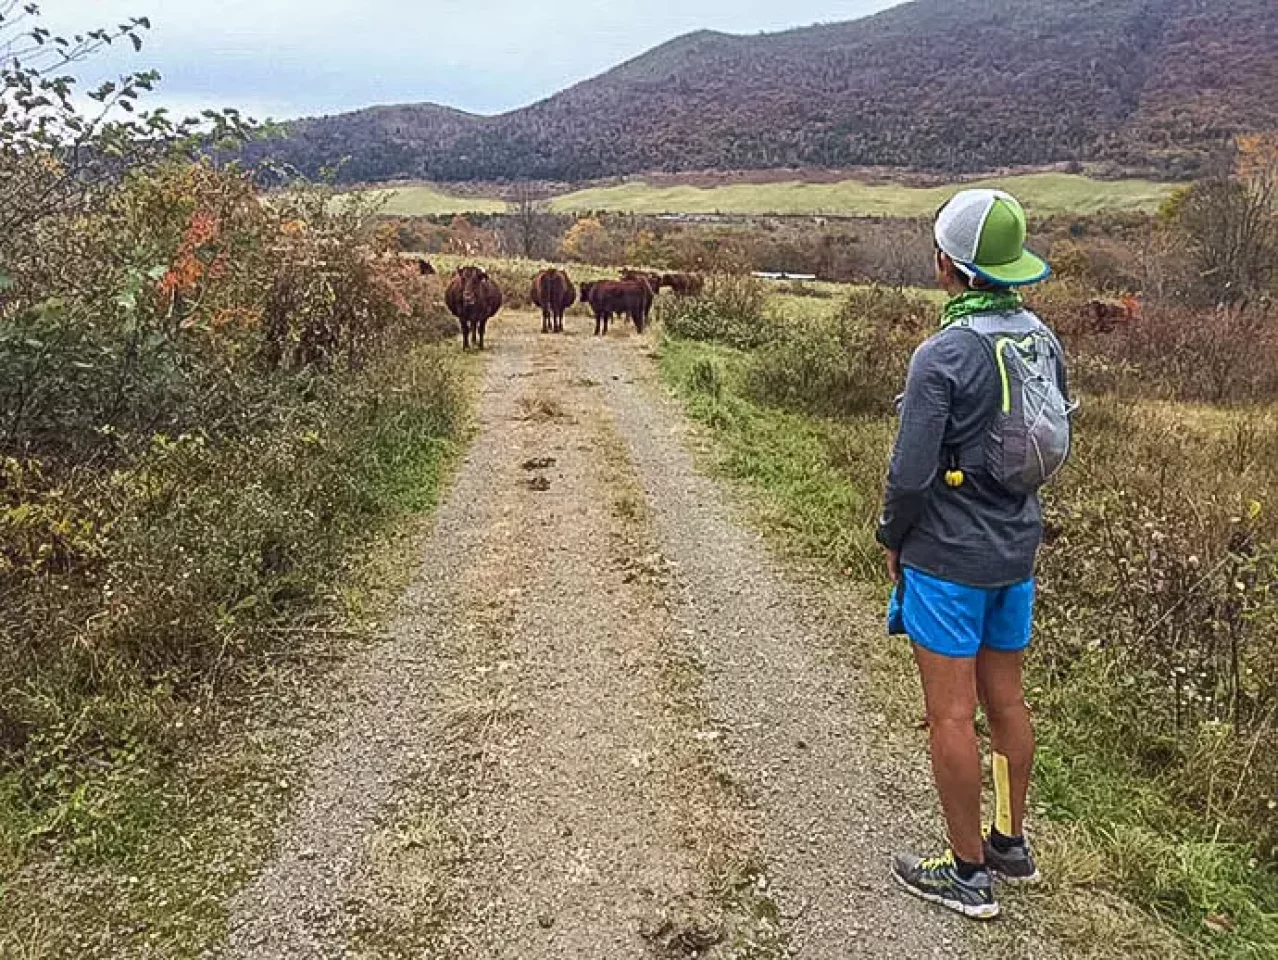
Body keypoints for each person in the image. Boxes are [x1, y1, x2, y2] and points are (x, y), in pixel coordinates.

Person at [878, 189, 1070, 920]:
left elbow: (909, 473)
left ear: (946, 266)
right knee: (1007, 701)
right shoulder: (1039, 338)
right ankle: (1009, 843)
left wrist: (893, 538)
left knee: (950, 716)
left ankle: (965, 874)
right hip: (1016, 551)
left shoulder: (943, 354)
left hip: (947, 560)